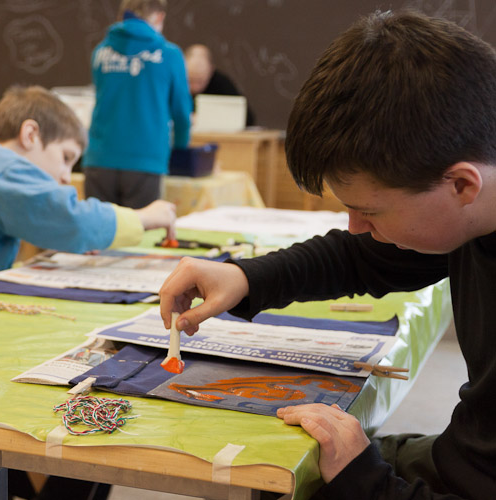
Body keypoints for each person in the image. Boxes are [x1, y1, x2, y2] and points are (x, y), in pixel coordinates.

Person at [159, 10, 495, 500]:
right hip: (464, 458)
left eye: (369, 211)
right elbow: (360, 259)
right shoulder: (471, 211)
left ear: (462, 184)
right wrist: (244, 277)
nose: (355, 227)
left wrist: (366, 482)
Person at [0, 84, 176, 307]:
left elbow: (50, 222)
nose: (66, 176)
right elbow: (69, 219)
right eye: (66, 157)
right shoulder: (0, 166)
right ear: (30, 134)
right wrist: (143, 217)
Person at [82, 0, 191, 209]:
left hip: (99, 159)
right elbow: (181, 113)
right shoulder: (169, 54)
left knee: (100, 228)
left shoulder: (100, 51)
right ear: (159, 16)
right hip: (145, 160)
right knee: (140, 228)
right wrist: (180, 153)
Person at [184, 43, 256, 127]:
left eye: (200, 81)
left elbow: (247, 118)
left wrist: (207, 118)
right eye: (190, 80)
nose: (195, 87)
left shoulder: (221, 83)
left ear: (211, 70)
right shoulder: (175, 81)